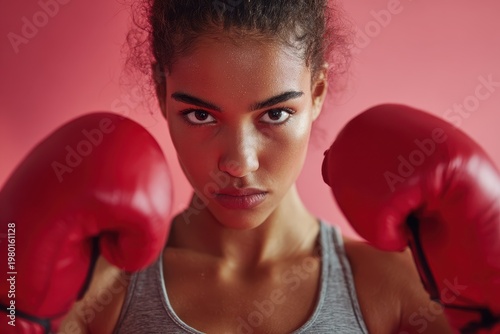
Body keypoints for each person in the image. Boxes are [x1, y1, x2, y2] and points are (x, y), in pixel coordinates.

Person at [56, 1, 456, 333]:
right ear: (162, 94)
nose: (238, 162)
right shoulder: (100, 290)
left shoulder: (398, 290)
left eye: (276, 113)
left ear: (317, 91)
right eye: (199, 115)